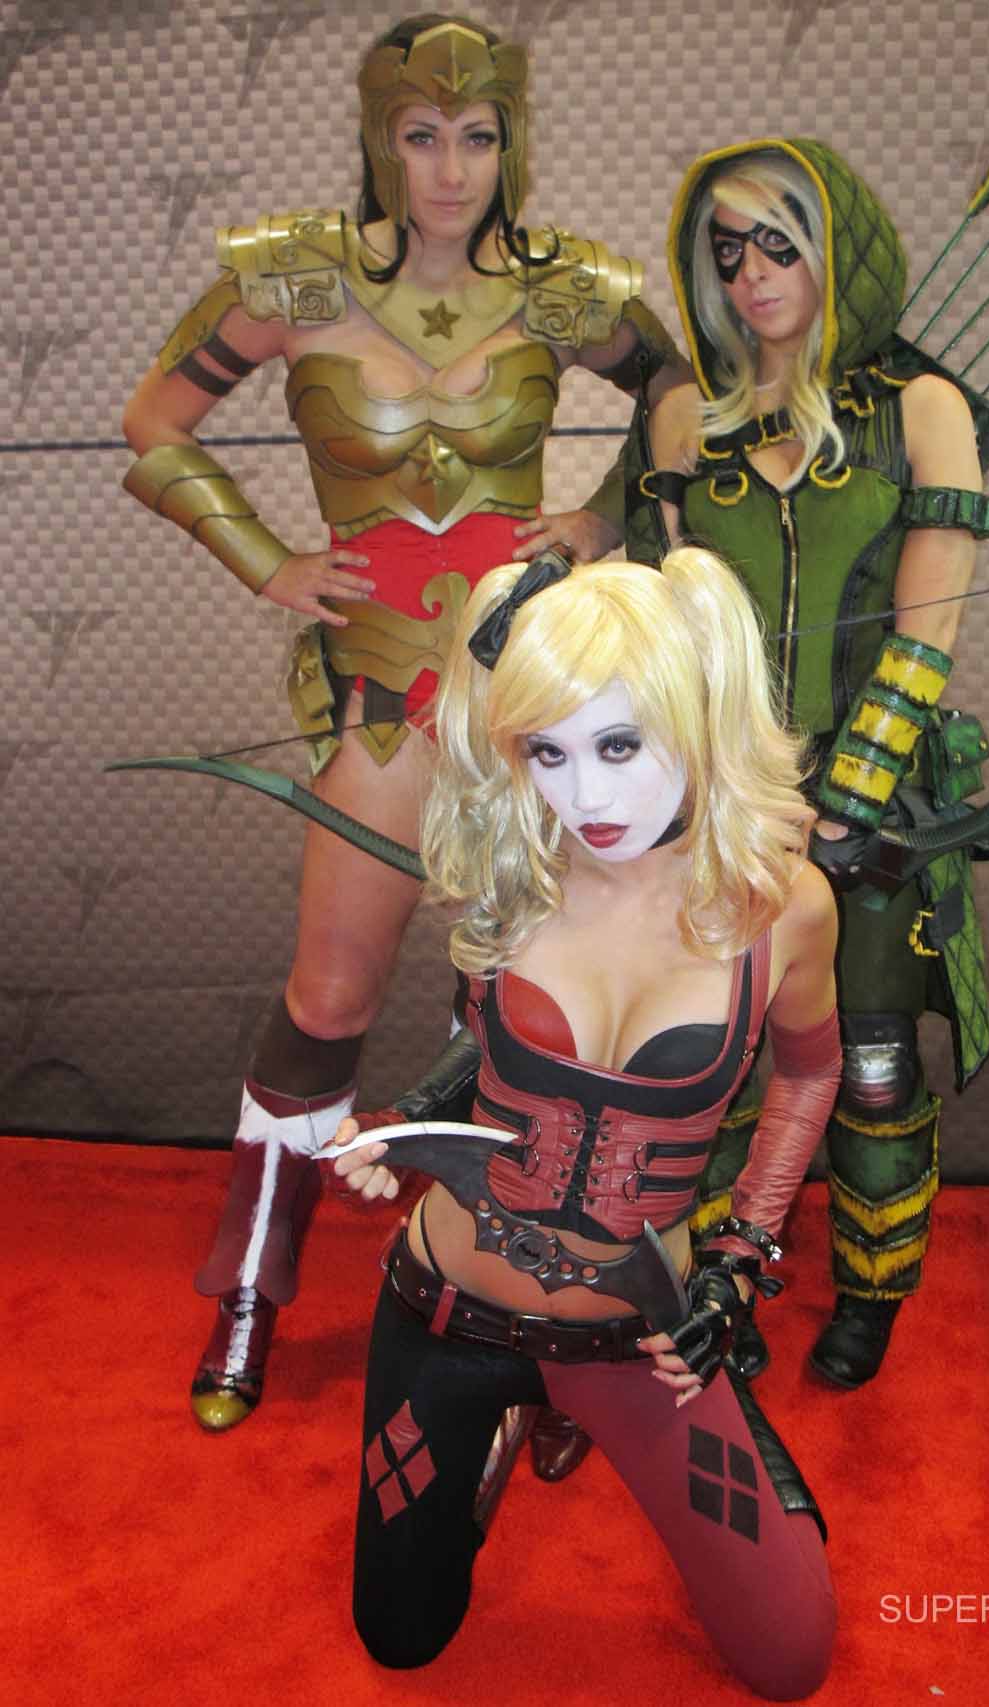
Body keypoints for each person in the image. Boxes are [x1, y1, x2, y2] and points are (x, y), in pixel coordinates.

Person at [119, 13, 684, 1432]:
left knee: (541, 1014)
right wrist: (265, 559)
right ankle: (253, 1281)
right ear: (382, 138)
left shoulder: (563, 288)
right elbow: (153, 423)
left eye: (476, 137)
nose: (449, 169)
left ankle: (539, 1311)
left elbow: (680, 396)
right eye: (421, 135)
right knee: (328, 1000)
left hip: (530, 691)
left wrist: (602, 516)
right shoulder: (295, 275)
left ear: (511, 143)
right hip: (380, 691)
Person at [329, 548, 841, 1697]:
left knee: (791, 1657)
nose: (586, 799)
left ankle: (611, 1418)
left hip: (636, 1340)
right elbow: (484, 1056)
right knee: (399, 1636)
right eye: (546, 753)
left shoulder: (781, 909)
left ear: (697, 717)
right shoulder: (515, 871)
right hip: (446, 1313)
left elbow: (809, 1076)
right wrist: (401, 1125)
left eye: (618, 746)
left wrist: (736, 1265)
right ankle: (510, 1428)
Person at [638, 139, 989, 1389]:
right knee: (714, 1058)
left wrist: (846, 799)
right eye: (726, 250)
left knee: (874, 1065)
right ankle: (718, 1279)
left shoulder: (919, 407)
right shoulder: (683, 415)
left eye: (777, 244)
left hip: (876, 806)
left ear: (833, 247)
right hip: (716, 799)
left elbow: (928, 628)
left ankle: (869, 1290)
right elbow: (658, 612)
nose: (750, 275)